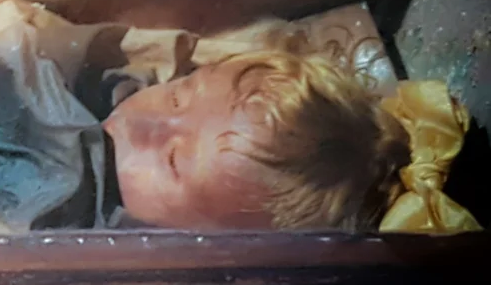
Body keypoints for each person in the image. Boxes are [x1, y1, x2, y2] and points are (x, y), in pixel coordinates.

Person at [104, 48, 413, 232]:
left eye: (172, 160)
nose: (145, 125)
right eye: (176, 97)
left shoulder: (103, 253)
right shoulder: (114, 71)